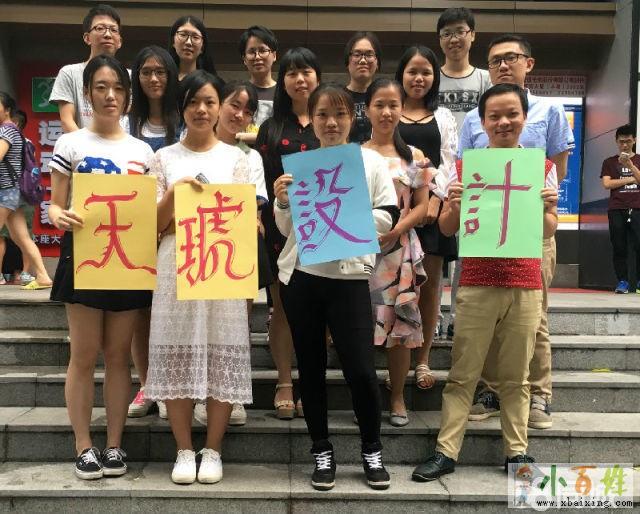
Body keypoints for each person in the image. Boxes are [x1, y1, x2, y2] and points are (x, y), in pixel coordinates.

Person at [412, 83, 558, 482]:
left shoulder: (542, 168)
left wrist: (548, 208)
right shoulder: (465, 170)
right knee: (464, 373)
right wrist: (455, 204)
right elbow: (446, 227)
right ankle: (446, 451)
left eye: (512, 114)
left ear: (525, 118)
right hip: (476, 282)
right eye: (494, 116)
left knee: (517, 378)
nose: (503, 122)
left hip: (524, 283)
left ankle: (517, 454)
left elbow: (548, 231)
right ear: (482, 121)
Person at [274, 83, 397, 491]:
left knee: (361, 370)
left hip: (349, 280)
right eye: (323, 114)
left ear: (351, 118)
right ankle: (321, 451)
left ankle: (372, 448)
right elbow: (287, 230)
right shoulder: (301, 166)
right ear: (312, 119)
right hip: (303, 279)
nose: (331, 122)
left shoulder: (370, 162)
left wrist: (345, 212)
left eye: (340, 114)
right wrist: (283, 202)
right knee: (310, 369)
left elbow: (388, 215)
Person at [459, 34, 575, 430]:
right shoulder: (474, 118)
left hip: (533, 230)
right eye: (495, 61)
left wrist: (542, 205)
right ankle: (492, 390)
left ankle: (539, 393)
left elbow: (557, 168)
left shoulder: (549, 109)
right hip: (487, 234)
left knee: (534, 313)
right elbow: (467, 170)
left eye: (511, 58)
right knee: (491, 315)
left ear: (529, 63)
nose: (503, 65)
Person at [47, 55, 154, 480]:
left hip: (128, 260)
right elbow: (55, 204)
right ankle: (82, 445)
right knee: (83, 354)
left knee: (118, 356)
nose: (111, 96)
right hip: (85, 255)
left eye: (119, 89)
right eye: (101, 87)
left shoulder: (143, 151)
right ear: (87, 94)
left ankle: (113, 444)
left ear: (128, 97)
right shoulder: (70, 144)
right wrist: (59, 215)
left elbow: (149, 210)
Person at [145, 70, 253, 485]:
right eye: (193, 102)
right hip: (175, 266)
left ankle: (213, 449)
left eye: (209, 101)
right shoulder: (163, 158)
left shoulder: (235, 159)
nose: (202, 110)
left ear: (220, 107)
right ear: (181, 107)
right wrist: (175, 195)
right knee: (176, 352)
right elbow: (153, 224)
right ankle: (183, 448)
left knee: (221, 350)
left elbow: (242, 218)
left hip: (221, 267)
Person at [191, 80, 271, 428]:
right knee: (199, 323)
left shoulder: (250, 157)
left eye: (248, 111)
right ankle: (198, 392)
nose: (239, 115)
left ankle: (231, 393)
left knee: (235, 323)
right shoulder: (189, 149)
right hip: (195, 248)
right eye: (234, 105)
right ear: (217, 105)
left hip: (236, 248)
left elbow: (254, 202)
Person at [363, 78, 434, 427]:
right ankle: (364, 397)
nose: (386, 112)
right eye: (379, 104)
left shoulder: (414, 157)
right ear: (367, 110)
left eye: (393, 105)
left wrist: (396, 229)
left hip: (399, 250)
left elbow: (422, 205)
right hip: (361, 252)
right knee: (360, 325)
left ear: (401, 110)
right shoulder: (355, 154)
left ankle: (397, 397)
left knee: (400, 328)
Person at [256, 47, 321, 420]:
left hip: (323, 226)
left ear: (317, 76)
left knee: (319, 309)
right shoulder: (271, 128)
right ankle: (284, 381)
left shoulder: (330, 121)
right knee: (281, 307)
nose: (300, 79)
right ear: (282, 81)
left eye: (306, 71)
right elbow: (260, 183)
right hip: (280, 228)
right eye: (292, 72)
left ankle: (311, 381)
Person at [395, 45, 458, 391]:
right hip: (397, 211)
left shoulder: (443, 116)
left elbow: (450, 162)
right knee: (396, 285)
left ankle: (422, 360)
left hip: (433, 214)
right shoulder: (390, 110)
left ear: (435, 77)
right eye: (412, 71)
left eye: (426, 72)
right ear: (401, 74)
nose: (418, 78)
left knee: (430, 287)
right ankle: (396, 358)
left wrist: (435, 199)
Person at [126, 45, 180, 420]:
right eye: (146, 72)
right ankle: (147, 384)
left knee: (174, 312)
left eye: (161, 71)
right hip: (134, 231)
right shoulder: (127, 125)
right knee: (140, 313)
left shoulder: (183, 121)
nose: (154, 78)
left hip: (177, 233)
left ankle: (175, 385)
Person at [436, 6, 492, 340]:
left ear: (472, 35)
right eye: (446, 33)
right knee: (433, 252)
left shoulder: (485, 79)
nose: (454, 39)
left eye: (460, 31)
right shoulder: (431, 76)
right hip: (437, 173)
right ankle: (430, 316)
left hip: (474, 175)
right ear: (439, 39)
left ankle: (458, 315)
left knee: (465, 249)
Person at [0, 92, 52, 290]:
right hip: (13, 192)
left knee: (20, 238)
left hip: (5, 191)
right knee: (21, 238)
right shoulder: (14, 130)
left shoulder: (6, 130)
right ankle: (43, 275)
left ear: (7, 110)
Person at [50, 4, 123, 133]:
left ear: (120, 41)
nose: (108, 34)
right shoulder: (69, 73)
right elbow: (67, 121)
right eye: (100, 28)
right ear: (87, 38)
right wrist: (88, 145)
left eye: (113, 30)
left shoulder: (130, 76)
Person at [600, 124, 640, 293]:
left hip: (637, 207)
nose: (625, 145)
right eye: (621, 141)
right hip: (617, 208)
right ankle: (622, 281)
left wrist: (630, 166)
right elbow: (607, 184)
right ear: (616, 141)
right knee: (619, 246)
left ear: (634, 140)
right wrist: (631, 179)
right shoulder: (609, 162)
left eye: (628, 141)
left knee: (639, 244)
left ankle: (639, 282)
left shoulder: (638, 160)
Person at [0, 109, 35, 286]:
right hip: (20, 194)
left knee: (22, 236)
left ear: (16, 123)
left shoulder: (16, 140)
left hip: (13, 193)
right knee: (23, 236)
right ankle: (28, 274)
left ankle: (23, 273)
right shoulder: (26, 142)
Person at [237, 25, 278, 143]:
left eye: (263, 50)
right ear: (244, 59)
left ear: (274, 55)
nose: (257, 57)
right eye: (251, 52)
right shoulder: (236, 92)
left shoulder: (284, 92)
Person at [344, 31, 382, 144]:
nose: (363, 60)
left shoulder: (384, 98)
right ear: (347, 62)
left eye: (369, 55)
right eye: (357, 54)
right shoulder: (338, 97)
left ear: (377, 62)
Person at [168, 15, 217, 81]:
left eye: (195, 37)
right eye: (183, 35)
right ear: (173, 42)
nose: (188, 42)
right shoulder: (163, 80)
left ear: (202, 47)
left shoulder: (210, 83)